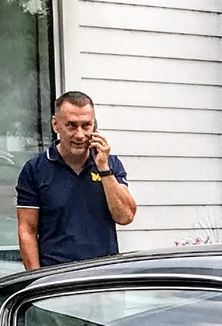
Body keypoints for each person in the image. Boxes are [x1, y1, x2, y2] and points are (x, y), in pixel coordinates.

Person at [16, 91, 136, 269]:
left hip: (104, 277)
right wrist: (35, 280)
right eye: (71, 126)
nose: (80, 135)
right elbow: (27, 230)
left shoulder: (110, 164)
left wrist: (103, 169)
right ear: (56, 125)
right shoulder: (35, 169)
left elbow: (125, 216)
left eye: (86, 126)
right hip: (55, 277)